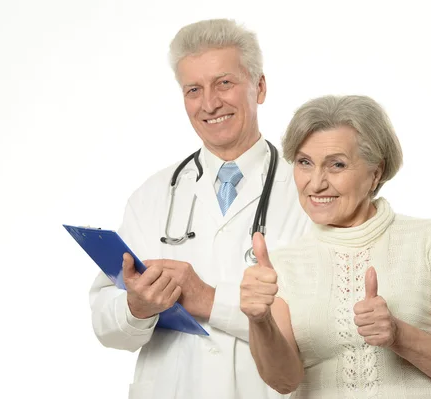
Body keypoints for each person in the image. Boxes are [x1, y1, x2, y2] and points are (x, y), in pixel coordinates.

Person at [89, 19, 309, 399]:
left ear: (259, 87)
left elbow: (319, 322)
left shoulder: (308, 191)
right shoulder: (153, 195)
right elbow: (104, 323)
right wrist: (135, 307)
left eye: (224, 83)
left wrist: (208, 299)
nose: (209, 104)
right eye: (194, 89)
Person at [240, 95, 431, 398]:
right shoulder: (281, 266)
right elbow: (285, 381)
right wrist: (259, 321)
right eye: (304, 163)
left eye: (337, 164)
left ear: (376, 173)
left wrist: (400, 336)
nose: (316, 183)